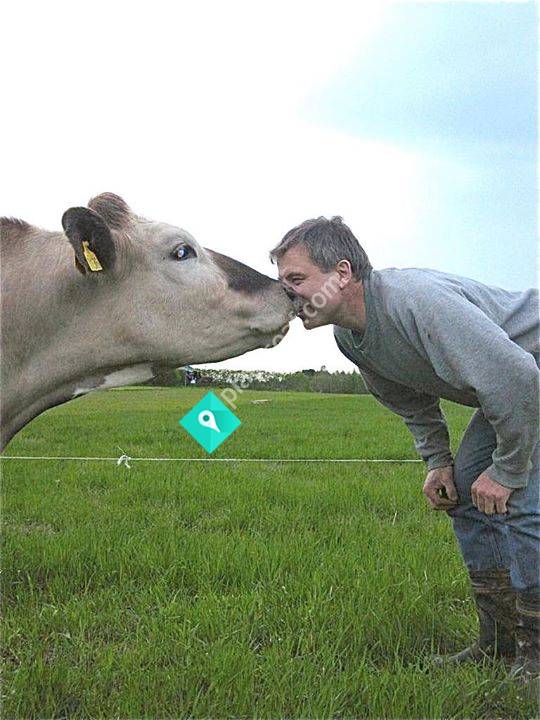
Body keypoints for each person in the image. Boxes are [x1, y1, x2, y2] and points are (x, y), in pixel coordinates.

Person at [270, 216, 539, 688]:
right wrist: (438, 462)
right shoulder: (351, 338)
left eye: (295, 279)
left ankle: (535, 656)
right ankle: (498, 639)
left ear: (342, 273)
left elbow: (517, 379)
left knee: (521, 501)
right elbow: (412, 402)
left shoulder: (417, 301)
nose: (286, 295)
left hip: (527, 377)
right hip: (516, 386)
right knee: (465, 493)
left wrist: (510, 470)